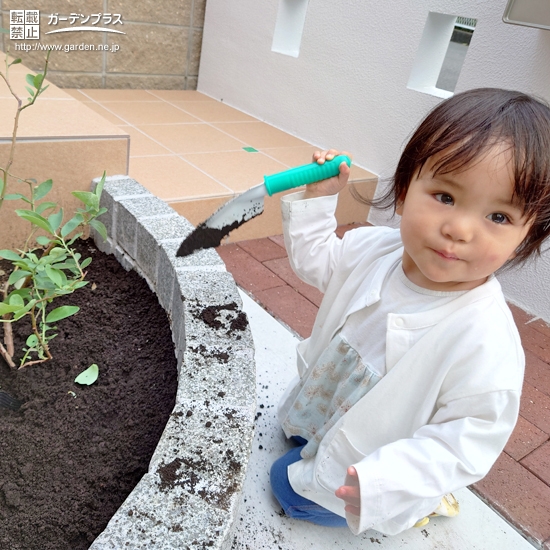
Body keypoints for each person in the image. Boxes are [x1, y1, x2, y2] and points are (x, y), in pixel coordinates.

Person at [269, 88, 550, 535]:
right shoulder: (375, 249)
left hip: (378, 462)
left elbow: (464, 441)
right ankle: (315, 439)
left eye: (498, 217)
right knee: (293, 434)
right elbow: (316, 259)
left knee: (285, 489)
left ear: (526, 237)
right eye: (445, 196)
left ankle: (423, 505)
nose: (458, 229)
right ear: (404, 190)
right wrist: (318, 197)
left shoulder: (485, 340)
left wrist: (387, 484)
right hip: (331, 400)